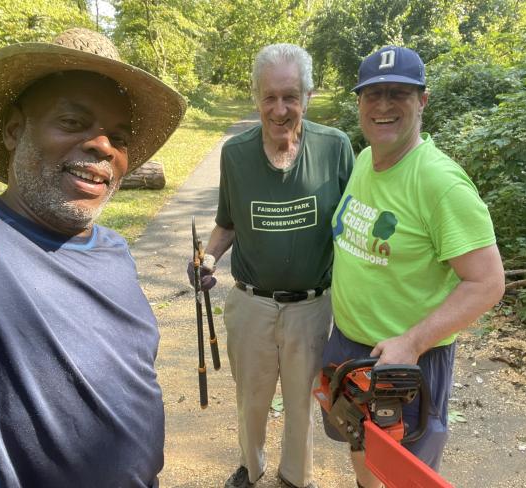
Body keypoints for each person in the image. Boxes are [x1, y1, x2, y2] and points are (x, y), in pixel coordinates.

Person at [0, 28, 186, 488]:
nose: (102, 146)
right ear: (14, 131)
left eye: (118, 136)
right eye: (73, 122)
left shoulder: (114, 248)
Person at [323, 46, 505, 488]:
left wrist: (412, 342)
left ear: (422, 100)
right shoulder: (366, 159)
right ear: (360, 103)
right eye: (373, 94)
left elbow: (487, 282)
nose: (383, 105)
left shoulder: (440, 183)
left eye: (398, 93)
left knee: (406, 474)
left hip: (405, 362)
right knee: (360, 445)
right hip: (349, 346)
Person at [189, 44, 354, 488]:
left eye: (290, 96)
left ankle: (296, 477)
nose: (279, 109)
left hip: (311, 307)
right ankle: (251, 465)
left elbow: (354, 225)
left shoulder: (335, 148)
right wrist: (206, 258)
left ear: (308, 96)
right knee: (251, 400)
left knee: (301, 402)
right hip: (252, 304)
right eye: (269, 97)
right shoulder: (235, 154)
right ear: (255, 96)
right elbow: (227, 224)